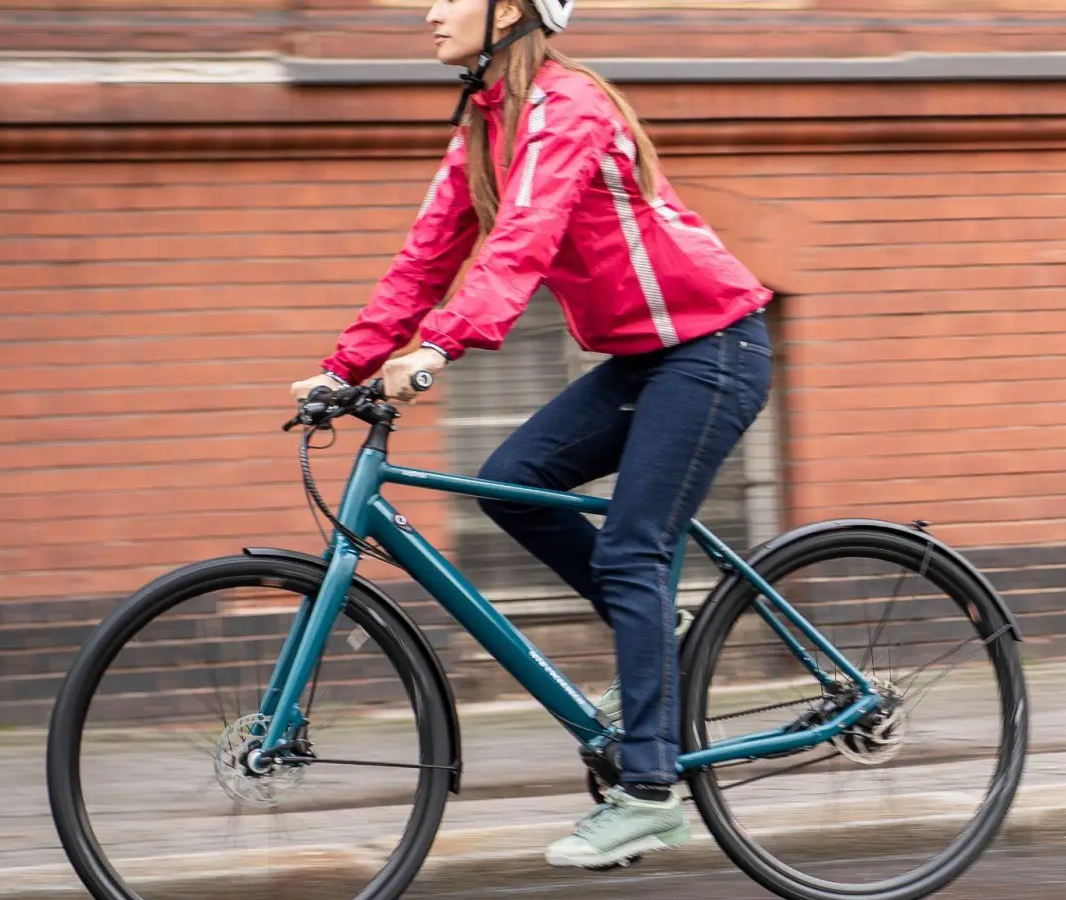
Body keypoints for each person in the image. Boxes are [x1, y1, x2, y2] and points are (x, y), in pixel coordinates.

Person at [290, 0, 774, 870]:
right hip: (642, 360)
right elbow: (427, 256)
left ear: (507, 10)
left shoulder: (568, 105)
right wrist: (345, 367)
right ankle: (651, 641)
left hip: (712, 350)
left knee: (630, 550)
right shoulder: (485, 127)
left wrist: (439, 345)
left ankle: (651, 794)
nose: (431, 13)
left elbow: (521, 242)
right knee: (514, 479)